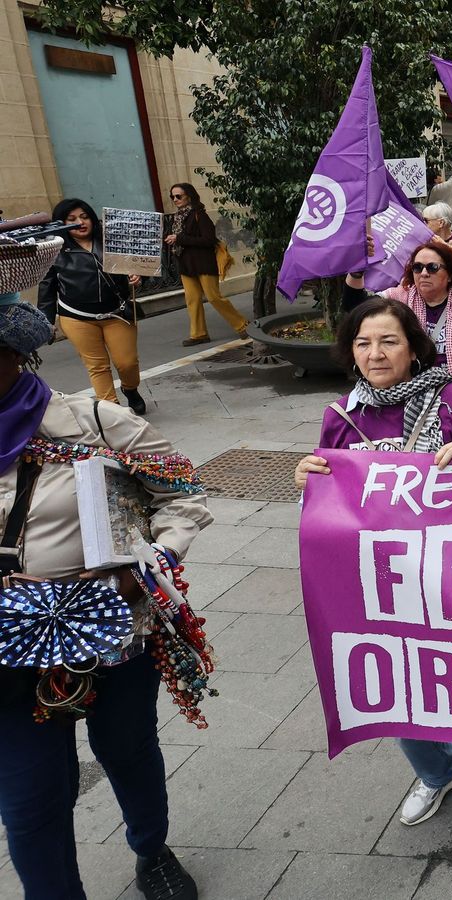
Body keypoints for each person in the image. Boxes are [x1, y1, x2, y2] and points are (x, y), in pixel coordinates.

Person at [1, 299, 212, 900]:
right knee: (29, 797)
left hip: (111, 627)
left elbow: (183, 492)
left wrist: (151, 564)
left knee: (126, 748)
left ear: (15, 355)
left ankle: (152, 849)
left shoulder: (92, 421)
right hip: (8, 650)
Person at [293, 297, 452, 828]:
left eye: (388, 341)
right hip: (376, 581)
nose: (375, 353)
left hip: (449, 574)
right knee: (393, 680)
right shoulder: (341, 416)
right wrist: (306, 485)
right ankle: (436, 772)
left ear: (414, 348)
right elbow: (328, 506)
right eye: (363, 343)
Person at [345, 243, 452, 455]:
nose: (423, 273)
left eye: (432, 267)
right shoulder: (397, 302)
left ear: (449, 274)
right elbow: (354, 308)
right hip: (411, 396)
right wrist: (356, 271)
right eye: (417, 267)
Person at [37, 200, 145, 413]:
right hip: (76, 317)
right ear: (61, 223)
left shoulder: (112, 240)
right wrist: (46, 323)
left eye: (84, 216)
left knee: (127, 363)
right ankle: (113, 412)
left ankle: (130, 388)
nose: (80, 222)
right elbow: (46, 289)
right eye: (72, 219)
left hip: (116, 313)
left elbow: (137, 267)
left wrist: (138, 277)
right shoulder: (54, 250)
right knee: (97, 366)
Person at [166, 183, 250, 347]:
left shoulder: (199, 215)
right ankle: (199, 334)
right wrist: (173, 240)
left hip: (203, 263)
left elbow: (208, 240)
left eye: (178, 196)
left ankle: (242, 325)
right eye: (172, 196)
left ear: (189, 196)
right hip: (186, 265)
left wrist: (179, 238)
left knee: (213, 297)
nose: (175, 199)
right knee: (192, 300)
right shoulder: (177, 218)